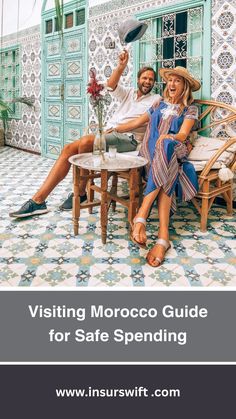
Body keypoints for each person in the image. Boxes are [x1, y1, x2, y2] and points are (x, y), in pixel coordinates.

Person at [10, 51, 160, 218]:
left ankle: (81, 192)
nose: (147, 82)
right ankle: (39, 200)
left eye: (151, 79)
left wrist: (118, 129)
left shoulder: (155, 99)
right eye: (144, 78)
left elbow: (140, 122)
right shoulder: (129, 93)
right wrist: (121, 67)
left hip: (129, 139)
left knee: (86, 142)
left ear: (154, 83)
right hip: (111, 133)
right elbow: (110, 86)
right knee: (68, 149)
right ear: (138, 79)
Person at [112, 66, 201, 267]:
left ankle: (142, 214)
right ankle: (163, 238)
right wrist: (115, 128)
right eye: (170, 80)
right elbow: (138, 122)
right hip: (151, 154)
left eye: (177, 81)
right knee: (166, 164)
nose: (171, 84)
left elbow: (182, 136)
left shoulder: (190, 109)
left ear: (185, 86)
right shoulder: (158, 103)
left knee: (165, 144)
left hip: (175, 147)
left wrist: (167, 137)